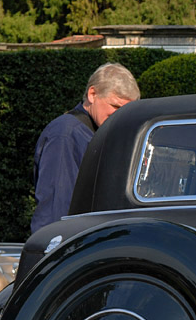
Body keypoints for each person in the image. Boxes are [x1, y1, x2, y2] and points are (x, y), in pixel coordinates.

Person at [30, 63, 140, 233]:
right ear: (92, 94)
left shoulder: (97, 131)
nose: (120, 116)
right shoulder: (66, 134)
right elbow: (55, 209)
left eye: (127, 110)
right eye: (115, 107)